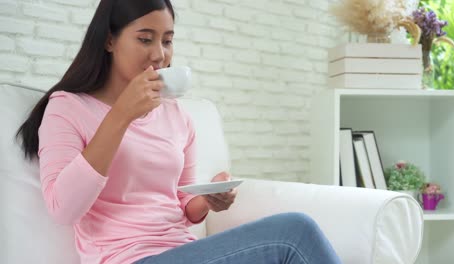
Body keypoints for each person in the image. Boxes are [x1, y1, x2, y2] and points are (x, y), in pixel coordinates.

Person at [16, 1, 341, 263]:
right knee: (295, 232)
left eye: (167, 40)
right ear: (109, 40)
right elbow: (64, 209)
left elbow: (182, 207)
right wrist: (121, 116)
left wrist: (207, 200)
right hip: (126, 257)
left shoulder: (176, 115)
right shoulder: (68, 107)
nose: (160, 55)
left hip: (183, 250)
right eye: (145, 39)